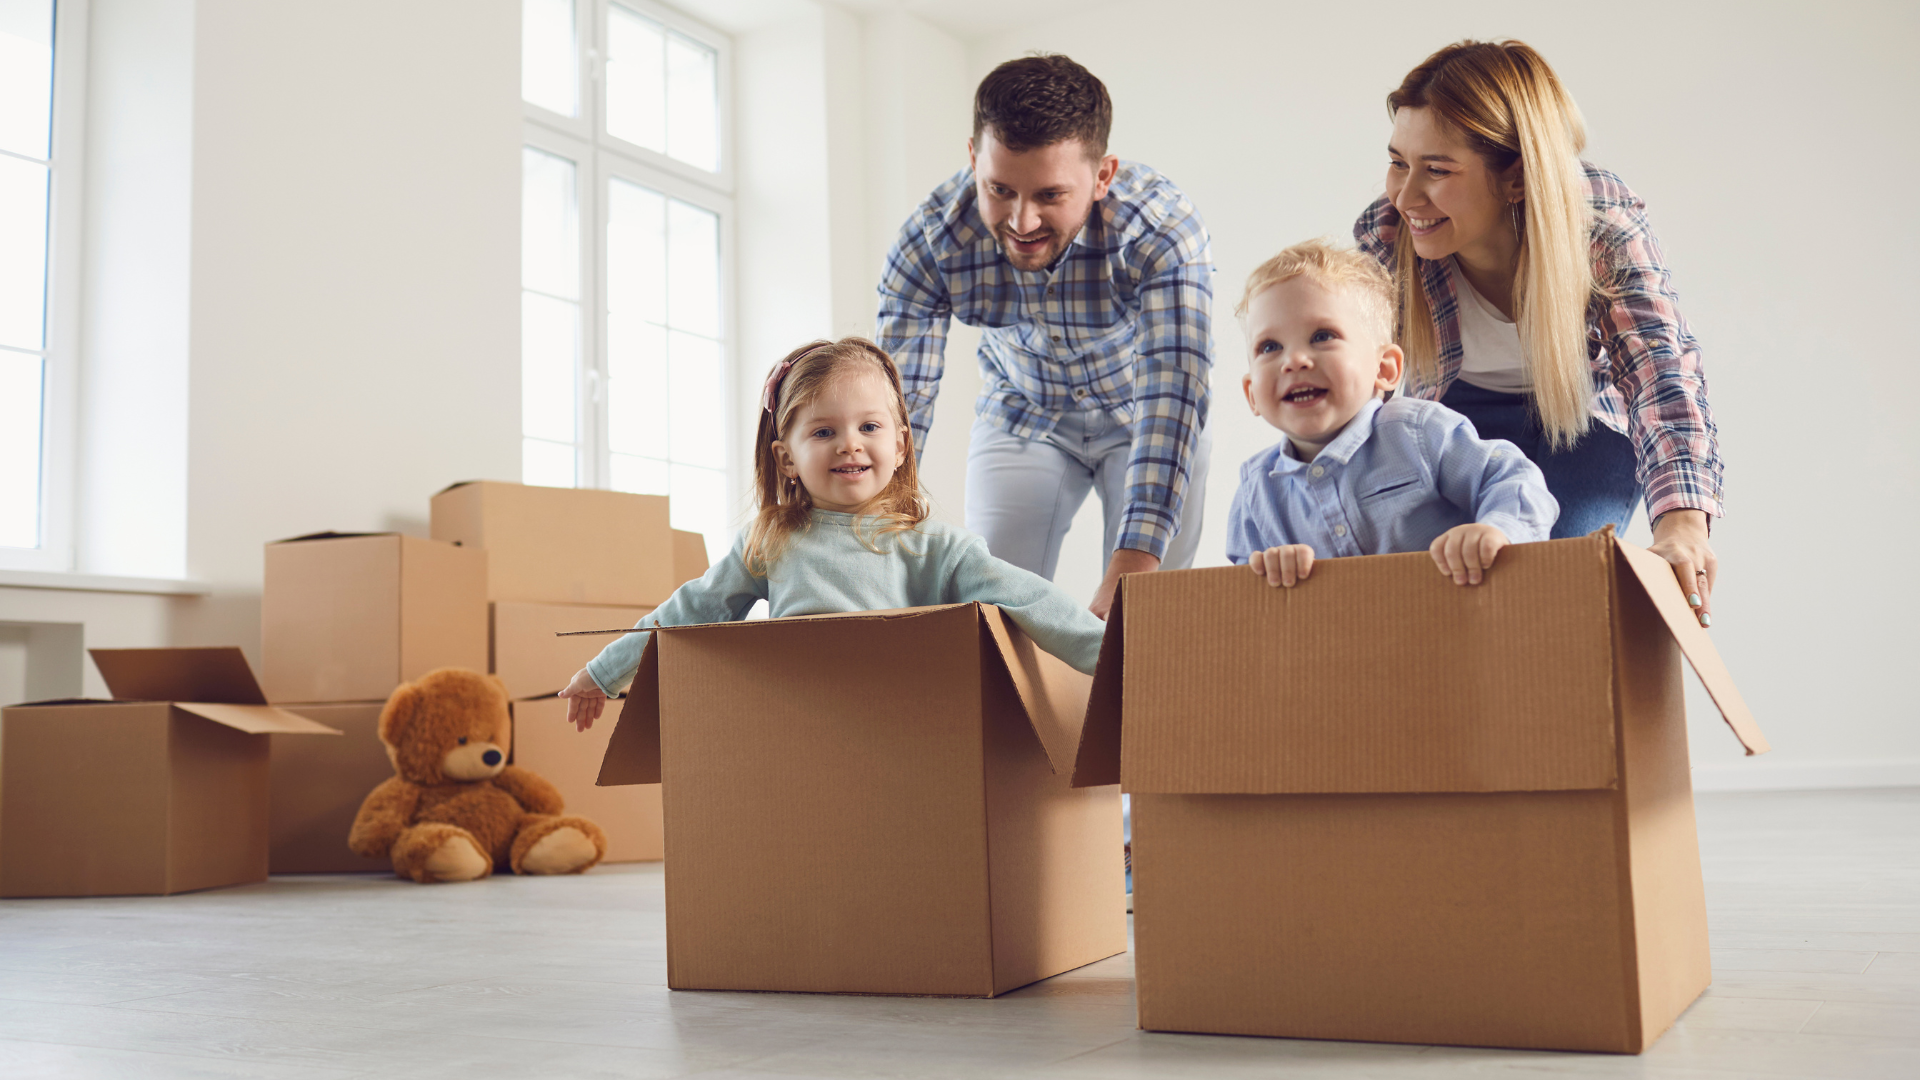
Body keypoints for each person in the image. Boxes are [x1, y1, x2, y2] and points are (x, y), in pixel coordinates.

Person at [1355, 39, 1723, 627]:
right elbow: (1360, 391)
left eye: (1438, 170)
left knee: (1542, 589)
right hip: (1451, 421)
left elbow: (1661, 372)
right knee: (1424, 586)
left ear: (1516, 179)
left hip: (1576, 425)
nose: (1405, 196)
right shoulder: (1388, 232)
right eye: (1399, 161)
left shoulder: (1598, 224)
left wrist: (1681, 524)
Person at [558, 337, 1107, 730]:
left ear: (900, 446)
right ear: (787, 458)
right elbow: (692, 608)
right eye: (824, 431)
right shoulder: (771, 540)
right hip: (797, 729)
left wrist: (1117, 659)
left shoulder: (938, 548)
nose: (850, 444)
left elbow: (1032, 600)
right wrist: (602, 673)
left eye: (869, 427)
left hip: (904, 731)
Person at [876, 54, 1213, 620]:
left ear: (1103, 175)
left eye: (1050, 196)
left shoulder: (1162, 229)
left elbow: (1174, 389)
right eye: (1000, 189)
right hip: (1022, 410)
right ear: (973, 158)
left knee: (1148, 616)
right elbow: (896, 405)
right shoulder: (931, 240)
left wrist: (1131, 568)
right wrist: (866, 535)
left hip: (1144, 415)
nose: (1022, 221)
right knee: (991, 609)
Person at [1227, 240, 1557, 589]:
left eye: (1322, 336)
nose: (1294, 361)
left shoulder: (1417, 433)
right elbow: (1239, 598)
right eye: (1270, 347)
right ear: (1252, 395)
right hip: (1339, 641)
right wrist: (1266, 574)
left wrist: (1496, 529)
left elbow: (1512, 478)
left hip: (1453, 625)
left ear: (1384, 368)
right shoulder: (1256, 492)